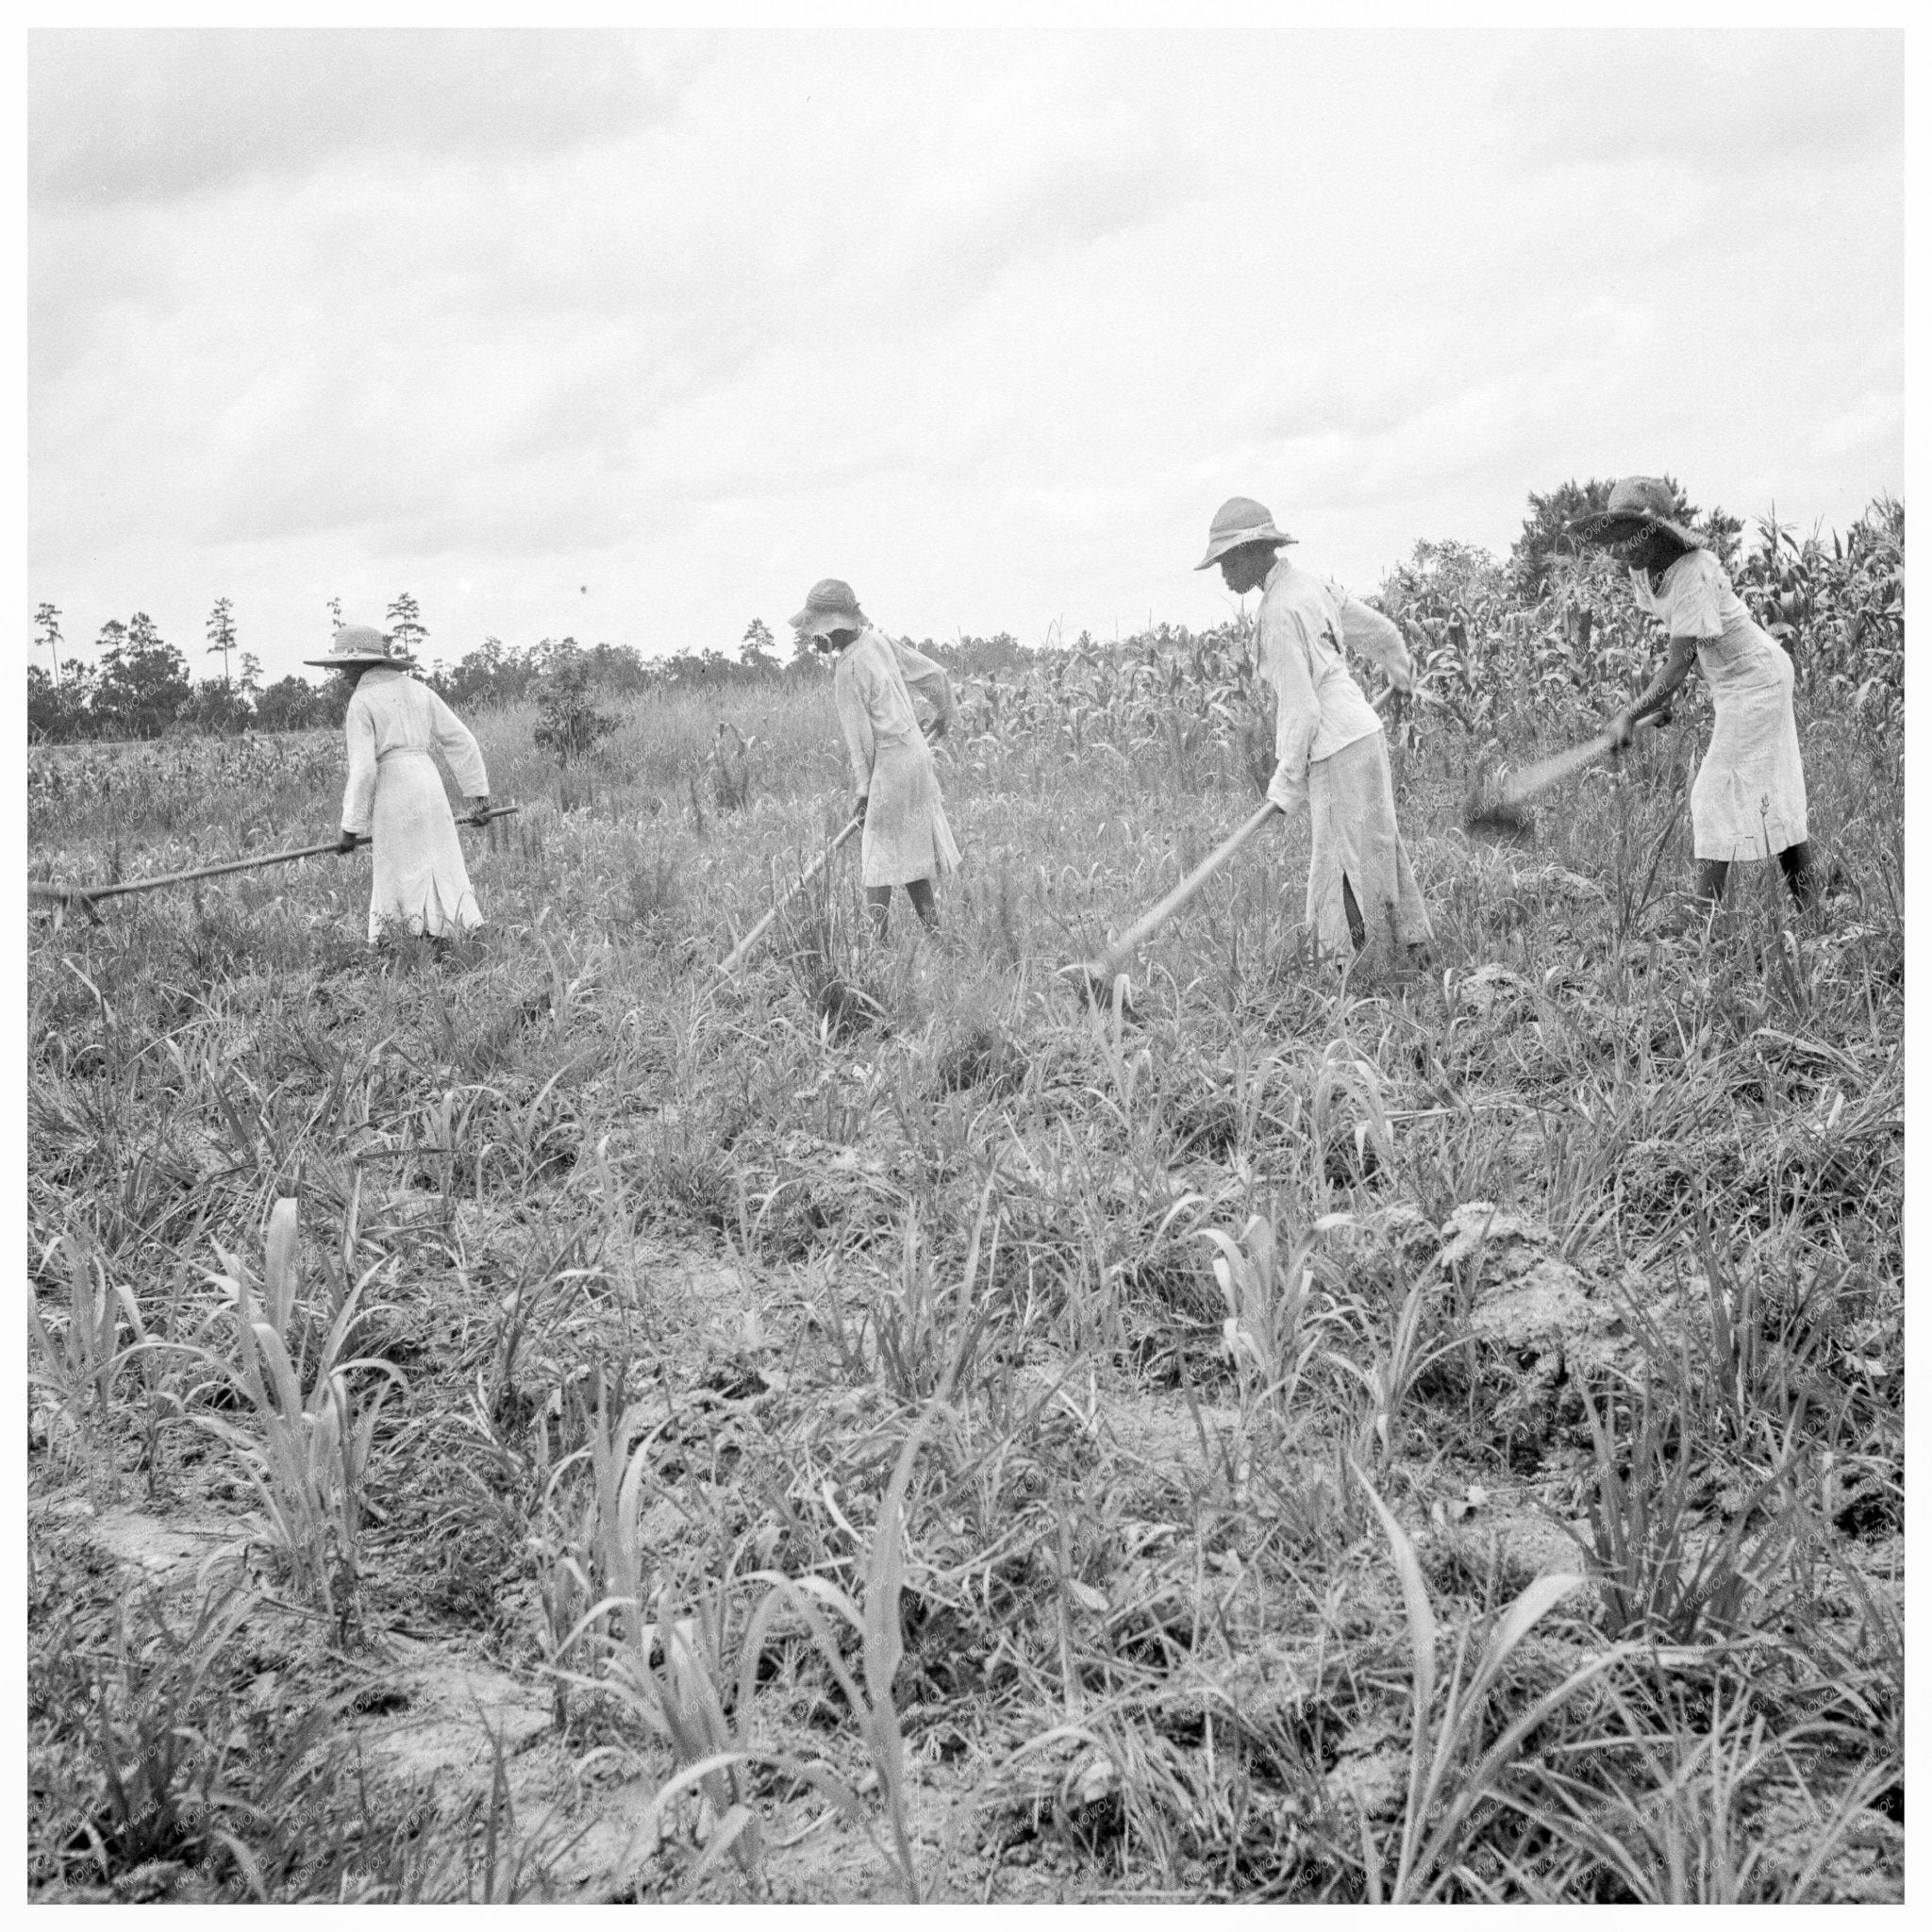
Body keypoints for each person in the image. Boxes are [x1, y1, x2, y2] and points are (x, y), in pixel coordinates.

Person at [1197, 496, 1433, 967]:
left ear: (1253, 552)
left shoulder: (1277, 613)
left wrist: (1285, 779)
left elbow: (1302, 710)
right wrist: (1399, 668)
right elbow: (1380, 631)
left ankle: (1353, 969)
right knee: (1377, 843)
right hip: (1365, 732)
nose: (1224, 573)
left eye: (1228, 561)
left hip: (1334, 747)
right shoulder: (1313, 585)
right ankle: (1409, 950)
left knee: (1342, 859)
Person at [1572, 475, 1814, 914]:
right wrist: (1660, 700)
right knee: (1773, 793)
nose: (1621, 548)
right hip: (1730, 682)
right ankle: (1812, 907)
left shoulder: (1694, 570)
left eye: (1630, 535)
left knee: (1709, 793)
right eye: (1617, 537)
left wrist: (1631, 711)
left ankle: (1701, 925)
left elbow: (1680, 662)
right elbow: (1684, 644)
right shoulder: (1643, 571)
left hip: (1759, 679)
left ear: (1655, 530)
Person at [790, 579, 960, 940]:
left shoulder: (846, 671)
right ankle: (936, 934)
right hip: (917, 755)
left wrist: (864, 791)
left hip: (891, 766)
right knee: (910, 850)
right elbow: (935, 674)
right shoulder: (879, 642)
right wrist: (944, 712)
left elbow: (861, 742)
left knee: (875, 858)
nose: (811, 639)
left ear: (833, 628)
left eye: (815, 631)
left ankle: (874, 946)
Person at [304, 625, 493, 943]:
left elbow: (364, 770)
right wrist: (479, 797)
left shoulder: (361, 702)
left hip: (396, 789)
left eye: (345, 666)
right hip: (429, 784)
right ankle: (444, 933)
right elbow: (462, 739)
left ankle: (401, 939)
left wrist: (350, 828)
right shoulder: (420, 690)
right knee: (437, 855)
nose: (342, 674)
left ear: (363, 663)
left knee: (400, 864)